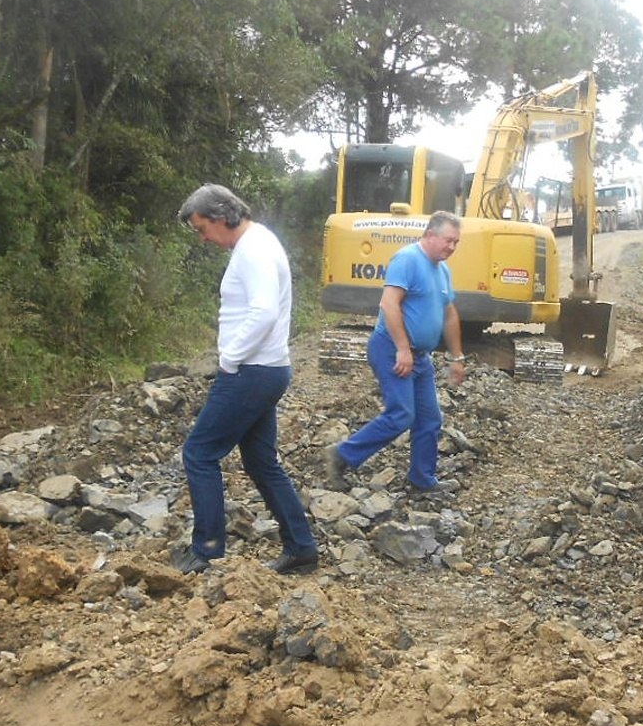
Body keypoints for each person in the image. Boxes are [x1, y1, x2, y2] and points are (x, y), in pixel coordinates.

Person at [170, 184, 319, 576]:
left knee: (199, 453)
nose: (203, 238)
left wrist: (229, 358)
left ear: (222, 217)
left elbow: (264, 311)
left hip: (252, 371)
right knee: (261, 462)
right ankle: (301, 548)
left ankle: (205, 550)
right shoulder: (258, 243)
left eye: (202, 228)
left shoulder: (253, 249)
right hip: (266, 369)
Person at [324, 210, 467, 497]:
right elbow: (389, 304)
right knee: (402, 413)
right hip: (390, 348)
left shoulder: (443, 270)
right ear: (430, 235)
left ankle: (421, 481)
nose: (451, 247)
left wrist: (457, 357)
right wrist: (402, 348)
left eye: (456, 243)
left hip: (420, 356)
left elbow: (449, 314)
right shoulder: (407, 259)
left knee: (429, 419)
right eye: (448, 241)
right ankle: (341, 455)